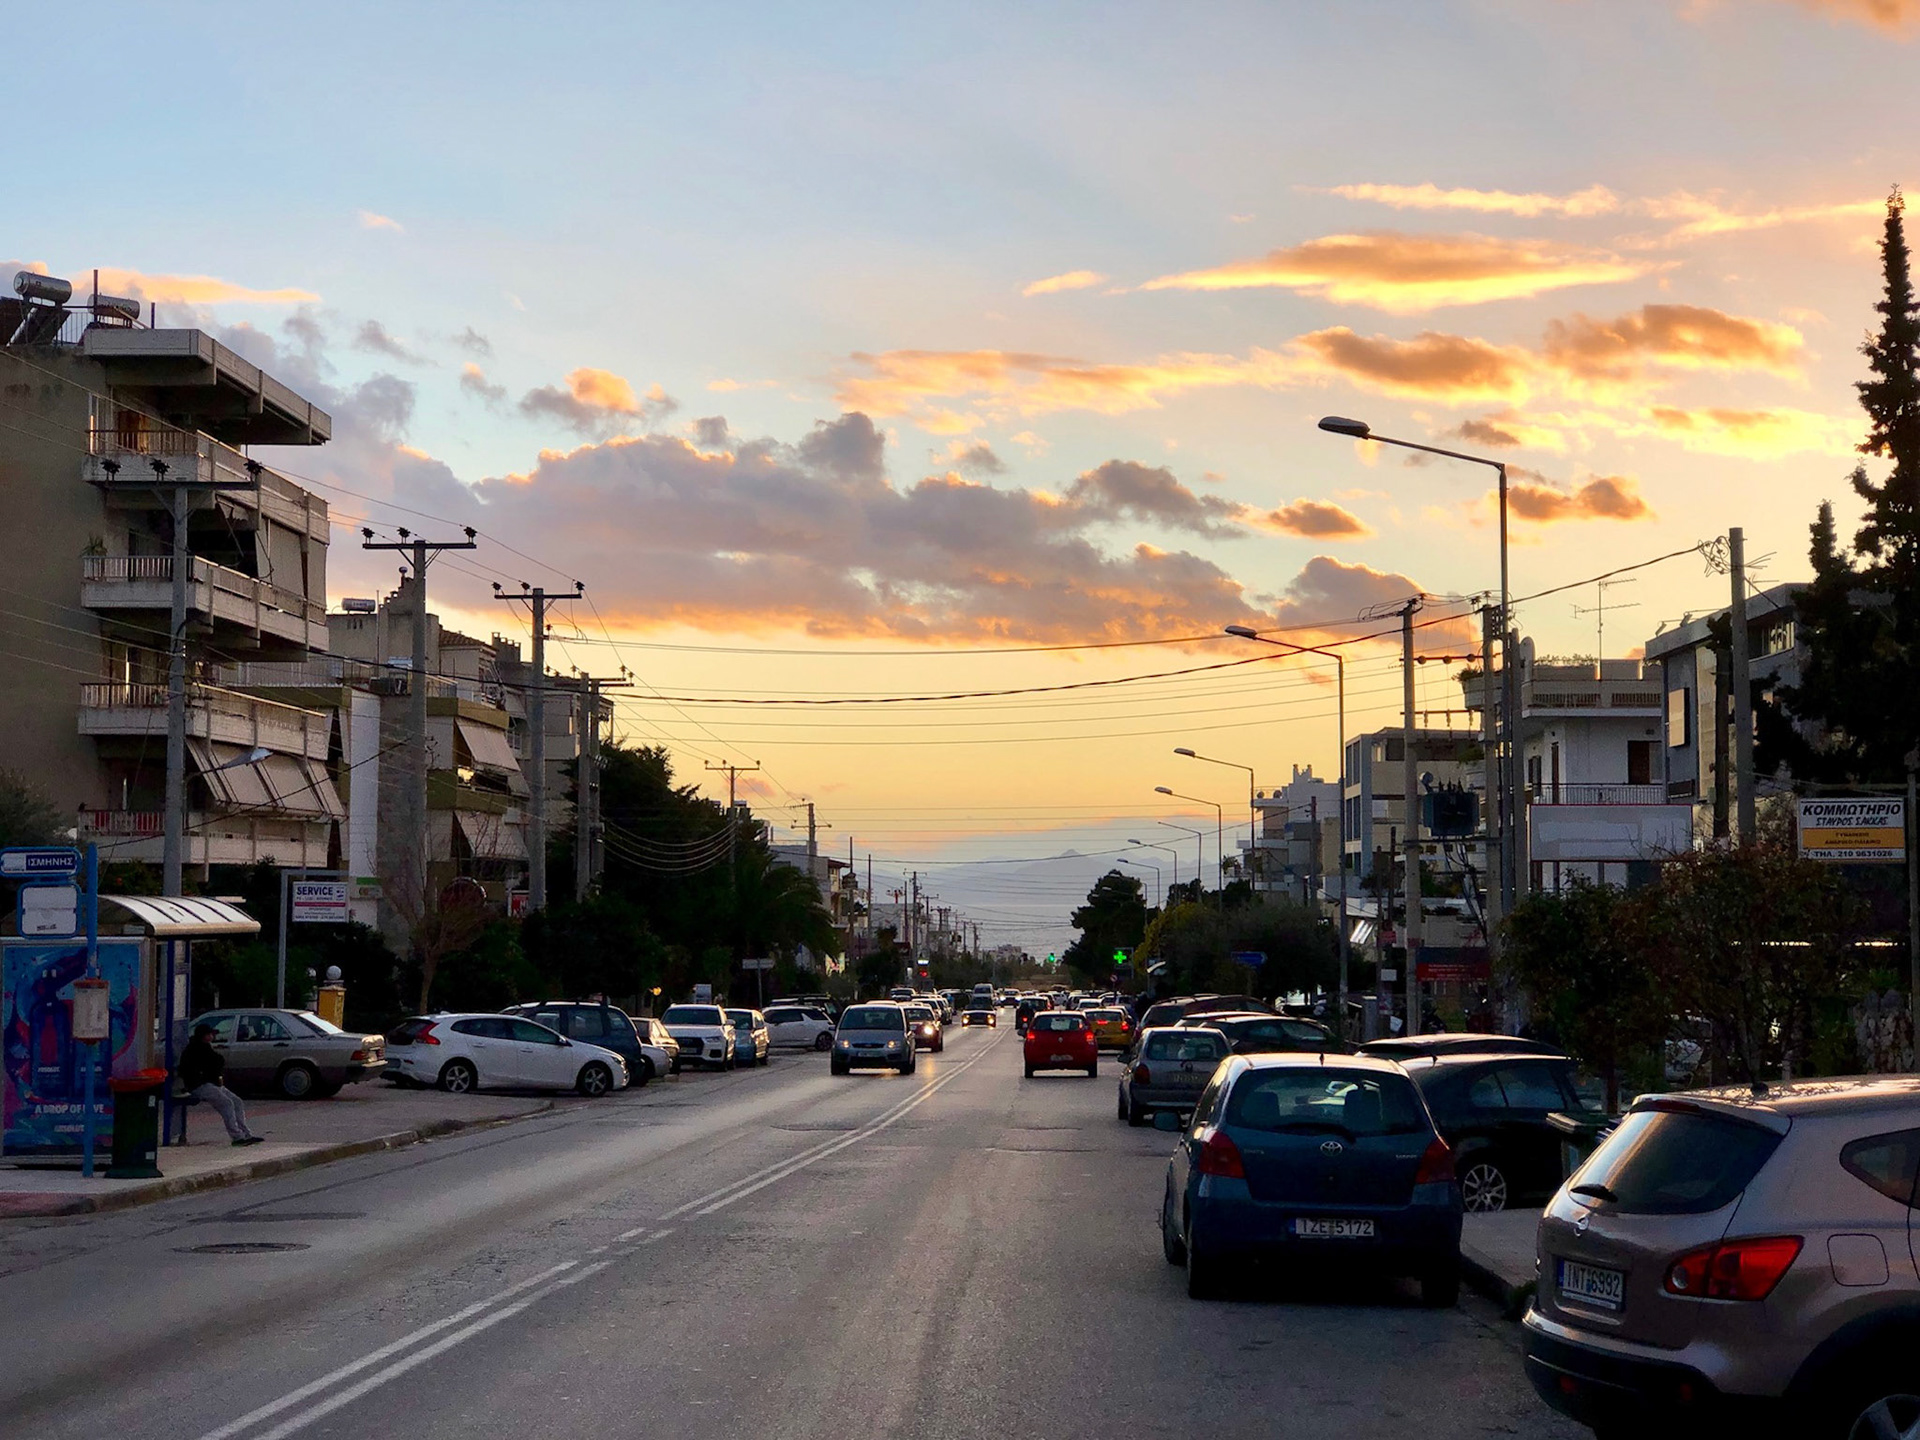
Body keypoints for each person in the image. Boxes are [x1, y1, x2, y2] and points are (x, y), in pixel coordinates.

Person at [177, 1023, 263, 1146]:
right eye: (209, 1034)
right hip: (199, 1086)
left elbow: (216, 1062)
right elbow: (193, 1070)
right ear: (202, 1035)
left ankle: (246, 1134)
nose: (212, 1036)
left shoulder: (206, 1047)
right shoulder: (194, 1050)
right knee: (227, 1103)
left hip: (212, 1084)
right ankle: (237, 1137)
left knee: (237, 1102)